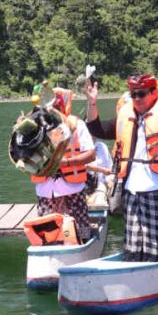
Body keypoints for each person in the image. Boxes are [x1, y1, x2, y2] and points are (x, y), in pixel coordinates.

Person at [85, 70, 158, 261]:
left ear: (153, 92)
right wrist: (92, 103)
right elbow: (97, 128)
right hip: (132, 191)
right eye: (133, 94)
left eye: (141, 93)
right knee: (133, 247)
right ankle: (134, 274)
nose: (136, 98)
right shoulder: (126, 114)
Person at [29, 87, 97, 242]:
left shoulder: (76, 124)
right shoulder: (36, 126)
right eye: (50, 107)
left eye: (57, 107)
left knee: (82, 232)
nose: (54, 111)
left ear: (63, 106)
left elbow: (91, 154)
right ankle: (52, 252)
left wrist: (65, 162)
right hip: (46, 191)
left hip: (72, 188)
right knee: (49, 235)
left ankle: (85, 247)